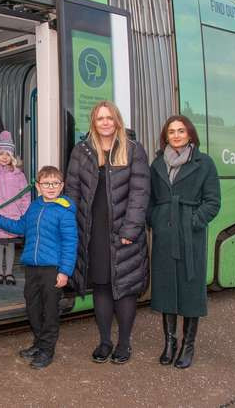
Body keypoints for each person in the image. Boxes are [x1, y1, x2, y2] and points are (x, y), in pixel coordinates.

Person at [65, 100, 150, 365]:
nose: (105, 122)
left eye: (109, 118)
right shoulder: (82, 151)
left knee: (124, 288)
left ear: (117, 121)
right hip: (92, 231)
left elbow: (140, 193)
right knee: (101, 286)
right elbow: (72, 191)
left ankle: (124, 343)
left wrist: (131, 229)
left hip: (123, 231)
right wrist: (71, 227)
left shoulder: (133, 150)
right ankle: (105, 341)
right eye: (100, 118)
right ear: (93, 121)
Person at [0, 165, 78, 369]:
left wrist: (64, 271)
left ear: (62, 186)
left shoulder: (65, 210)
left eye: (55, 183)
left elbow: (70, 243)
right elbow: (20, 227)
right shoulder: (35, 206)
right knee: (33, 306)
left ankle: (47, 350)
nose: (51, 187)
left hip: (52, 269)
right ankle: (38, 342)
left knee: (50, 310)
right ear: (38, 186)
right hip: (32, 267)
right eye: (46, 183)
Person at [148, 115, 221, 369]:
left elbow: (213, 201)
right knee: (166, 288)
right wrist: (155, 220)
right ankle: (170, 343)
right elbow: (150, 200)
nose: (176, 135)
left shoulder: (204, 163)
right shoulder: (157, 163)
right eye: (172, 132)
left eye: (181, 130)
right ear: (165, 136)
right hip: (165, 237)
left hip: (191, 238)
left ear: (190, 134)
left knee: (190, 291)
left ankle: (188, 346)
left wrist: (193, 221)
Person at [0, 131, 30, 285]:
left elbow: (25, 195)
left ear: (12, 156)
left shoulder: (18, 174)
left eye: (7, 154)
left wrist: (25, 213)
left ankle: (9, 272)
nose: (4, 157)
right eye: (1, 153)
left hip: (14, 215)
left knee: (11, 244)